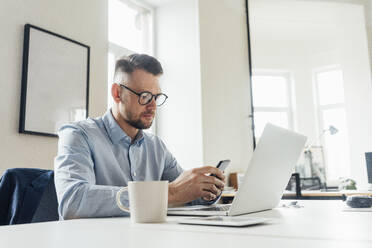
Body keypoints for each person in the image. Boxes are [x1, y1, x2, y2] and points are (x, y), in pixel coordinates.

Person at [54, 54, 225, 220]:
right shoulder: (78, 135)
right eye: (144, 96)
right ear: (117, 93)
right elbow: (72, 202)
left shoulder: (156, 147)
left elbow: (187, 195)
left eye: (156, 97)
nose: (153, 106)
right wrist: (169, 193)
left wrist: (207, 190)